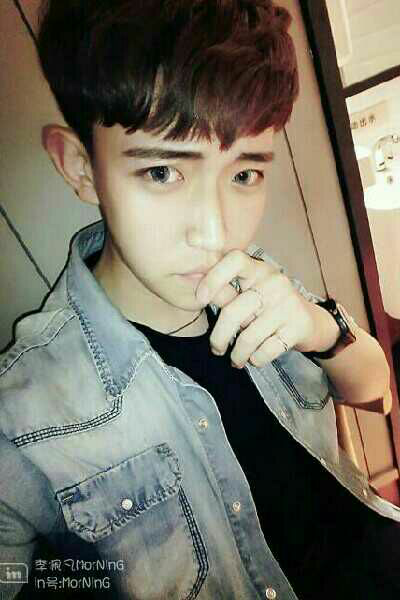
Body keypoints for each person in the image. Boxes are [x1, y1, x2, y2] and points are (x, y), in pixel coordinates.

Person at [0, 1, 399, 598]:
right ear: (81, 168)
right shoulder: (22, 416)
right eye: (162, 172)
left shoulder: (256, 277)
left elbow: (377, 393)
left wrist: (320, 329)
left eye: (244, 174)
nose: (215, 233)